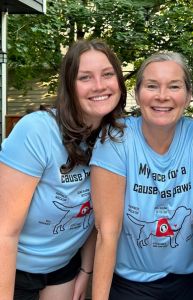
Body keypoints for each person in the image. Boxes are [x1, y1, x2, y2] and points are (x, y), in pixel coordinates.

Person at [90, 51, 193, 300]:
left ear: (188, 95)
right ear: (137, 93)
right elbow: (107, 233)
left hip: (188, 281)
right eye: (152, 86)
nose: (162, 96)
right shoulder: (117, 139)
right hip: (130, 284)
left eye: (174, 86)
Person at [0, 38, 127, 300]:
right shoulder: (37, 131)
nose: (99, 86)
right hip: (13, 265)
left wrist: (85, 271)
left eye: (107, 74)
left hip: (62, 268)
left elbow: (98, 218)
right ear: (69, 85)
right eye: (85, 78)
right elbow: (5, 230)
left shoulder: (116, 138)